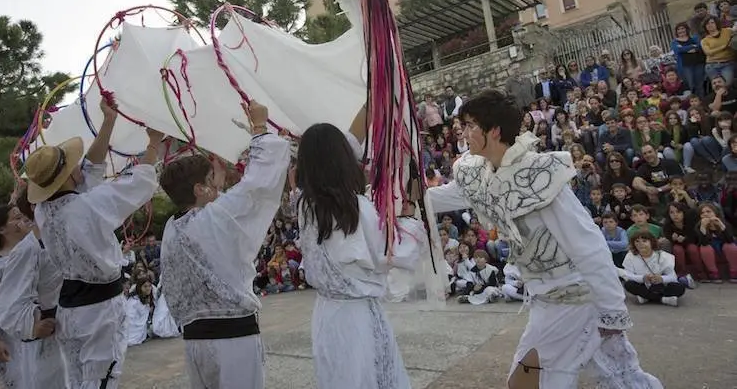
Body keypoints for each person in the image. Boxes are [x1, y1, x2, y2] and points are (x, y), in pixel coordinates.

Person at [429, 89, 661, 388]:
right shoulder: (481, 173)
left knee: (528, 382)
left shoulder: (538, 175)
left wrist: (612, 311)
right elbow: (446, 196)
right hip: (545, 297)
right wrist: (395, 190)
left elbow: (587, 244)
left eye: (472, 125)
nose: (464, 132)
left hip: (573, 296)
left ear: (495, 131)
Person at [24, 97, 163, 389]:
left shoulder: (44, 211)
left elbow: (90, 171)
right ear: (67, 176)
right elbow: (139, 182)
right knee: (101, 380)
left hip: (70, 309)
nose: (79, 166)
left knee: (77, 380)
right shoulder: (88, 207)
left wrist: (108, 122)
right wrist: (154, 143)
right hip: (99, 310)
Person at [158, 101, 290, 389]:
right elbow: (258, 186)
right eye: (210, 182)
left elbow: (224, 208)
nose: (218, 187)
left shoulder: (172, 229)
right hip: (232, 341)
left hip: (196, 343)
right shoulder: (215, 220)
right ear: (199, 189)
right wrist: (259, 129)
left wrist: (213, 181)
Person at [296, 123, 424, 389]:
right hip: (356, 316)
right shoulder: (357, 208)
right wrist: (408, 219)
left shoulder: (306, 206)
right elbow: (390, 254)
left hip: (327, 312)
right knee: (366, 376)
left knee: (338, 377)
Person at [0, 190, 69, 389]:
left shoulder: (62, 236)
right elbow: (8, 305)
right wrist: (33, 327)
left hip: (70, 326)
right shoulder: (27, 250)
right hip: (47, 338)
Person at [0, 203, 31, 388]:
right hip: (4, 341)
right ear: (1, 229)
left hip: (34, 338)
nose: (24, 221)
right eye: (17, 218)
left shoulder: (33, 254)